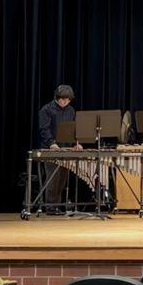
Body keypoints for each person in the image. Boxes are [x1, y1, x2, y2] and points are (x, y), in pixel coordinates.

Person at [37, 85, 81, 214]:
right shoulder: (46, 110)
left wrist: (77, 143)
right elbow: (44, 129)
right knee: (53, 178)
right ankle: (51, 207)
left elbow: (75, 129)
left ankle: (57, 205)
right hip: (51, 149)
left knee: (62, 178)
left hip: (66, 148)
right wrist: (51, 143)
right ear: (57, 98)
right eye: (63, 100)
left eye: (68, 100)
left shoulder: (71, 111)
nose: (65, 102)